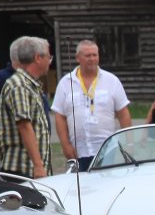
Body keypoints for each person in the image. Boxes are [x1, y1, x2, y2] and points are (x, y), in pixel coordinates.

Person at [51, 39, 130, 171]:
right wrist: (65, 145)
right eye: (88, 55)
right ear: (78, 58)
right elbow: (60, 116)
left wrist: (129, 142)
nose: (92, 59)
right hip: (77, 150)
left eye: (95, 55)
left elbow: (123, 113)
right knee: (81, 183)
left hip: (106, 148)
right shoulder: (66, 83)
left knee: (104, 181)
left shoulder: (112, 81)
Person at [0, 36, 54, 179]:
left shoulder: (30, 85)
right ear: (38, 58)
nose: (50, 61)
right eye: (48, 57)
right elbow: (24, 125)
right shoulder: (19, 85)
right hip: (22, 169)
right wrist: (38, 165)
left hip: (28, 169)